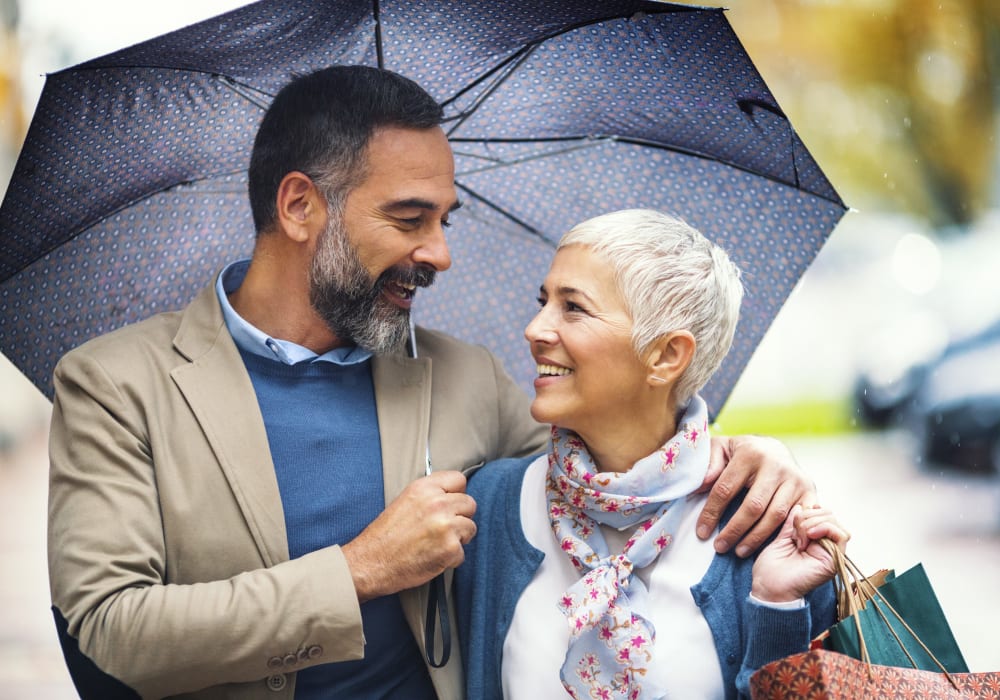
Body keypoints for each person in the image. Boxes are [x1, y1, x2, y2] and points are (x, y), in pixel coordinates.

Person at [47, 67, 817, 700]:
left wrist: (742, 456)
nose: (440, 253)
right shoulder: (115, 387)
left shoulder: (464, 379)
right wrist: (357, 572)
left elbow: (615, 466)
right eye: (410, 218)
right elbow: (114, 631)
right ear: (299, 205)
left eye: (444, 219)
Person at [456, 209, 850, 700]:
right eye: (544, 302)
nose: (535, 329)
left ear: (666, 356)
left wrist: (775, 607)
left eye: (573, 307)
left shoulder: (765, 530)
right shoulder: (490, 506)